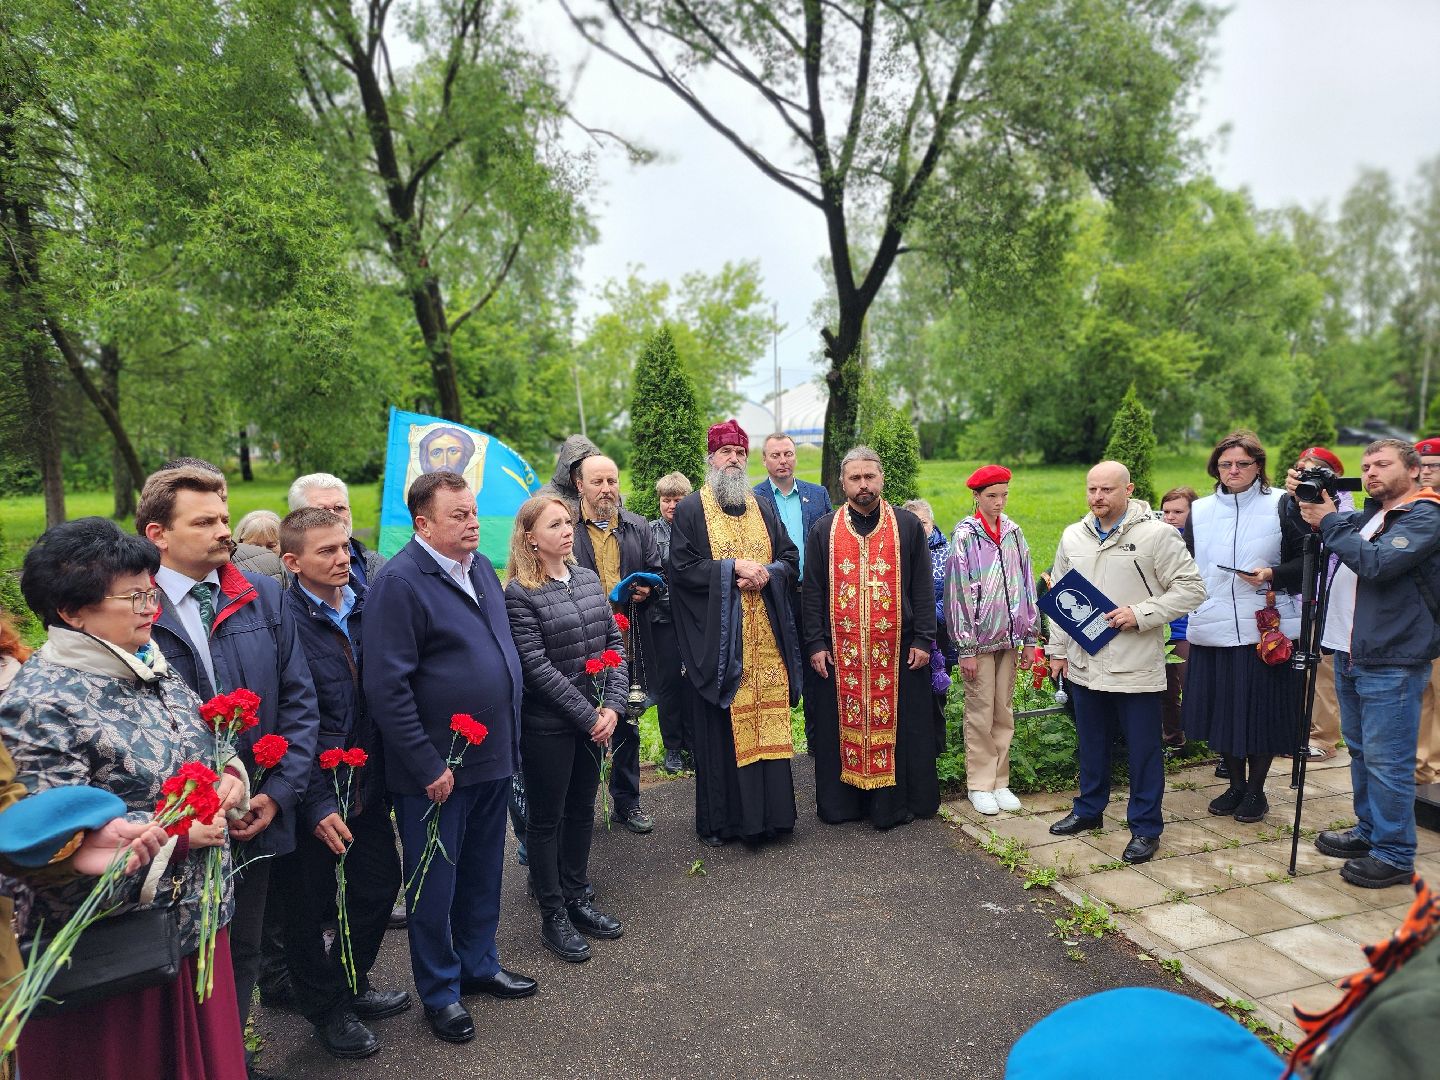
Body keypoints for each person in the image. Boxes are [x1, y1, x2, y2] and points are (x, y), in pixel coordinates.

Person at [0, 517, 247, 1079]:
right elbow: (41, 843)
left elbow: (201, 741)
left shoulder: (147, 661)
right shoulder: (39, 703)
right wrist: (174, 834)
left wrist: (228, 774)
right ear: (72, 612)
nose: (150, 607)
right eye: (133, 596)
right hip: (112, 953)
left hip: (194, 923)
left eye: (150, 592)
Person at [137, 464, 319, 1073]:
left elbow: (298, 697)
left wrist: (278, 792)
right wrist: (192, 811)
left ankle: (231, 1057)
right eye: (205, 522)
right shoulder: (133, 605)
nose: (224, 531)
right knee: (180, 957)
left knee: (242, 947)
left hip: (256, 811)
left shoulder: (262, 593)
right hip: (178, 826)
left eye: (225, 517)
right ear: (158, 533)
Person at [362, 470, 535, 1044]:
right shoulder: (400, 583)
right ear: (423, 523)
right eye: (458, 515)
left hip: (491, 757)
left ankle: (479, 964)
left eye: (473, 512)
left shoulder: (479, 566)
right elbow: (387, 687)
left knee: (484, 871)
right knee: (434, 885)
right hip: (438, 772)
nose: (473, 523)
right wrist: (426, 764)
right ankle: (440, 992)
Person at [274, 509, 408, 1059]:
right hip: (313, 786)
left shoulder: (366, 603)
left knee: (378, 882)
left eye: (345, 547)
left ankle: (350, 979)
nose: (342, 559)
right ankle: (326, 1008)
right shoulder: (282, 620)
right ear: (293, 561)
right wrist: (313, 800)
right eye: (326, 551)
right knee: (309, 906)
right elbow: (289, 718)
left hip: (367, 778)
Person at [1046, 462, 1205, 865]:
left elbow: (1192, 589)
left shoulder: (1157, 535)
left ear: (1128, 489)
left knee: (1143, 751)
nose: (1098, 497)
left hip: (1134, 665)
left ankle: (1146, 828)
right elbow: (1061, 596)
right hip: (1084, 662)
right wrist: (1057, 650)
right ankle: (1089, 810)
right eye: (1092, 489)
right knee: (1091, 744)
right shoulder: (1073, 535)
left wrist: (1141, 613)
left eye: (1107, 489)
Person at [1302, 439, 1440, 889]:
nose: (1371, 473)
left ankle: (1395, 854)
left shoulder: (1425, 515)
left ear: (1414, 470)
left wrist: (1329, 521)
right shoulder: (1375, 514)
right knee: (1362, 753)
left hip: (1391, 657)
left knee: (1388, 761)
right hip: (1352, 651)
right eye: (1365, 467)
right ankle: (1370, 832)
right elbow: (1327, 533)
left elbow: (1378, 564)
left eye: (1382, 464)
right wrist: (1311, 501)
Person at [504, 496, 628, 964]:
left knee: (581, 811)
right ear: (530, 538)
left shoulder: (587, 578)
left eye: (567, 522)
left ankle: (578, 896)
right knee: (546, 818)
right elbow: (535, 667)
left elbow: (613, 643)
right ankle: (552, 912)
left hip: (594, 722)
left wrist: (612, 706)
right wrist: (588, 715)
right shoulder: (520, 594)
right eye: (554, 524)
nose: (567, 530)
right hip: (550, 727)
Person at [667, 419, 801, 845]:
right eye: (725, 452)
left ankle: (775, 819)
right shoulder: (692, 509)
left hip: (768, 643)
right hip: (724, 648)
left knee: (771, 724)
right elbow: (682, 570)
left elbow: (790, 558)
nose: (733, 459)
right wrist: (730, 569)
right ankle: (726, 823)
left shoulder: (763, 506)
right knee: (722, 733)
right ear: (711, 458)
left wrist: (767, 573)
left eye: (740, 453)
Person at [803, 448, 939, 829]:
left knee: (902, 728)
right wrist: (815, 643)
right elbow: (812, 592)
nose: (863, 485)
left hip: (897, 653)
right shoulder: (824, 530)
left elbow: (923, 587)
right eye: (855, 478)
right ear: (842, 483)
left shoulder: (907, 527)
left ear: (881, 479)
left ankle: (892, 807)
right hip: (840, 655)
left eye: (869, 477)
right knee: (838, 730)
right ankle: (844, 806)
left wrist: (924, 638)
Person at [1182, 432, 1304, 825]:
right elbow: (1186, 564)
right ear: (1215, 467)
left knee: (1260, 712)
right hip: (1213, 623)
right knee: (1222, 711)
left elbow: (1307, 562)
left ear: (1258, 466)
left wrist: (1272, 574)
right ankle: (1235, 784)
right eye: (1225, 464)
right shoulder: (1199, 511)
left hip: (1263, 629)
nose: (1233, 470)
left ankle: (1256, 790)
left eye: (1242, 463)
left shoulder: (1282, 504)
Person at [570, 454, 662, 835]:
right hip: (578, 646)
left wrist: (647, 590)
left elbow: (658, 573)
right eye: (598, 482)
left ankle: (626, 801)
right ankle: (577, 810)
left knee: (626, 723)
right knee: (580, 726)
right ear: (580, 486)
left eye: (612, 481)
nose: (606, 489)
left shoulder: (637, 526)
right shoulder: (566, 526)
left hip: (626, 643)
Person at [943, 465, 1039, 817]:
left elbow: (1027, 583)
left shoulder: (1014, 533)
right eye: (992, 496)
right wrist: (965, 647)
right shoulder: (965, 537)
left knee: (1003, 711)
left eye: (1004, 495)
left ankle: (1001, 781)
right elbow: (957, 593)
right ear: (977, 496)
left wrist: (1030, 637)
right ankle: (980, 784)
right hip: (979, 641)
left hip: (1010, 639)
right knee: (980, 712)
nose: (999, 502)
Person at [752, 433, 832, 749]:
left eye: (788, 454)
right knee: (778, 665)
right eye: (775, 455)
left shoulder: (818, 494)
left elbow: (830, 541)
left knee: (818, 664)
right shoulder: (754, 497)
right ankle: (778, 741)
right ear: (764, 460)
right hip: (774, 595)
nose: (783, 461)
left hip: (813, 595)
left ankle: (817, 739)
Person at [1276, 447, 1354, 764]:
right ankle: (1297, 732)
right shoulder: (1289, 502)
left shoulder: (1341, 506)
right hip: (1295, 596)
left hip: (1325, 599)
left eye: (1314, 470)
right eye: (1300, 469)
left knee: (1322, 671)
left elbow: (1333, 553)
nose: (1304, 476)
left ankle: (1323, 737)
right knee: (1297, 669)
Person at [903, 498, 957, 758]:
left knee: (936, 696)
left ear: (932, 524)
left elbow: (954, 596)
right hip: (906, 635)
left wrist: (924, 617)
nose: (919, 528)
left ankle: (937, 753)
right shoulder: (899, 551)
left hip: (938, 634)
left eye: (923, 522)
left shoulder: (947, 554)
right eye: (913, 522)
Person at [649, 472, 694, 773]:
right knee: (668, 684)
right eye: (667, 500)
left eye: (678, 500)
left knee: (695, 682)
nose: (672, 506)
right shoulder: (650, 532)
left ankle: (695, 743)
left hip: (693, 620)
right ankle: (673, 747)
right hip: (663, 620)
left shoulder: (696, 529)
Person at [287, 472, 387, 587]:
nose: (335, 518)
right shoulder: (283, 577)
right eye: (322, 512)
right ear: (297, 520)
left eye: (339, 508)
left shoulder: (378, 564)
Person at [1158, 487, 1199, 755]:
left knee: (1193, 687)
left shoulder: (1199, 544)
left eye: (1178, 512)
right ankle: (1174, 740)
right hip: (1160, 628)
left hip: (1188, 629)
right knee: (1165, 690)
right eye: (1166, 512)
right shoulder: (1157, 541)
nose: (1170, 517)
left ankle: (1215, 744)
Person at [1415, 437, 1440, 786]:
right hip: (1421, 618)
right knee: (1422, 694)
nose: (1426, 472)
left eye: (1434, 466)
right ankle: (1420, 766)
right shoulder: (1413, 507)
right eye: (1421, 466)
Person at [536, 433, 602, 524]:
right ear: (567, 468)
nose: (586, 474)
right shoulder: (545, 499)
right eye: (580, 469)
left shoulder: (601, 490)